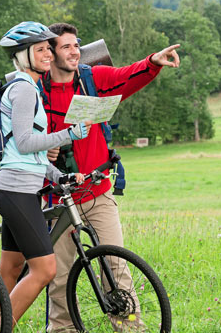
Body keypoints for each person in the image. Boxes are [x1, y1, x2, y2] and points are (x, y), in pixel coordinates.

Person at [39, 23, 180, 331]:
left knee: (116, 269)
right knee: (60, 279)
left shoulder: (92, 79)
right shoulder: (36, 91)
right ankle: (63, 330)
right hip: (57, 200)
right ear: (49, 53)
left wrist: (153, 62)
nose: (75, 51)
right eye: (66, 47)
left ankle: (130, 328)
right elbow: (21, 139)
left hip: (97, 192)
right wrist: (43, 152)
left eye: (76, 45)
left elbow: (126, 77)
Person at [0, 21, 91, 325]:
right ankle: (3, 329)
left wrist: (59, 178)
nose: (48, 54)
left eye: (49, 48)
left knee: (10, 269)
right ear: (23, 55)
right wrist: (68, 134)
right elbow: (25, 142)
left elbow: (28, 154)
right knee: (45, 270)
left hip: (19, 187)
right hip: (17, 191)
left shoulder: (28, 87)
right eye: (41, 49)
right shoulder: (23, 90)